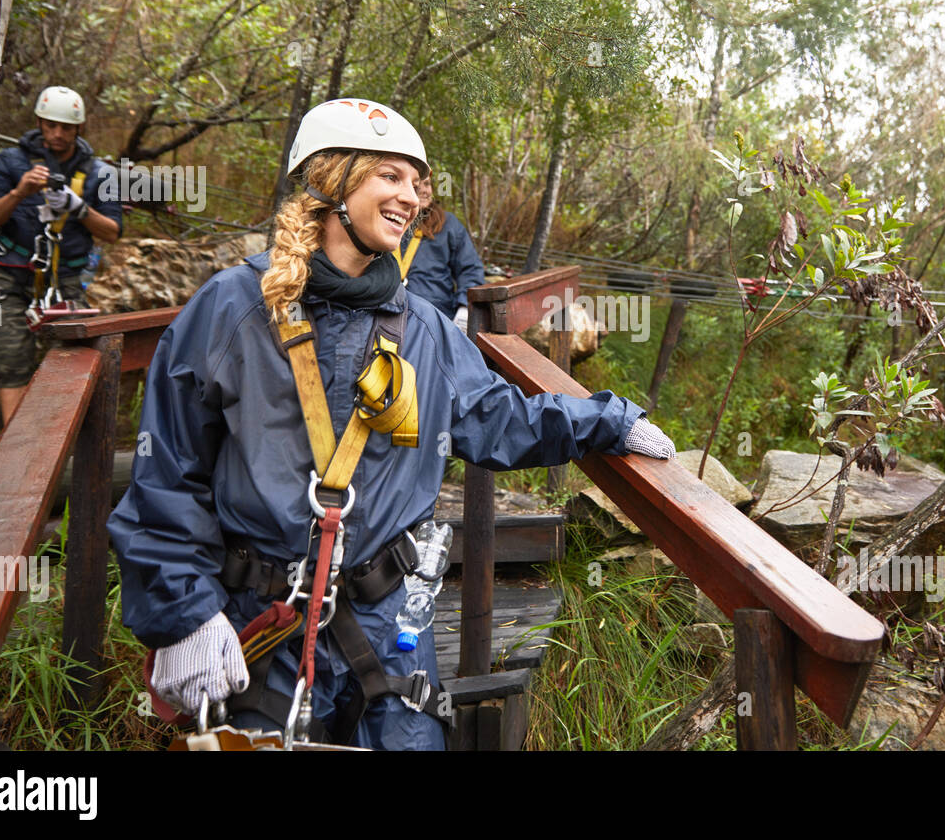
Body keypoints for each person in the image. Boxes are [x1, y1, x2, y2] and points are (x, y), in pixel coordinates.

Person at [107, 98, 676, 751]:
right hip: (261, 626)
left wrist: (606, 420)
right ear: (332, 182)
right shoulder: (234, 307)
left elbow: (492, 416)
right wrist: (185, 618)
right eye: (390, 176)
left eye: (417, 182)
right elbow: (167, 475)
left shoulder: (424, 327)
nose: (411, 198)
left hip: (389, 627)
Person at [0, 85, 123, 423]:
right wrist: (18, 192)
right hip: (9, 276)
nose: (57, 134)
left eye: (66, 127)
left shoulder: (100, 173)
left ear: (78, 128)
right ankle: (13, 457)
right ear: (40, 123)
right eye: (50, 125)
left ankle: (59, 443)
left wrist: (80, 209)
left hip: (68, 282)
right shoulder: (11, 162)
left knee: (76, 359)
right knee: (11, 357)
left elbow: (113, 232)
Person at [396, 175, 485, 334]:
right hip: (388, 313)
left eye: (428, 184)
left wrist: (464, 306)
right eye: (417, 185)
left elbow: (470, 269)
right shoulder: (390, 219)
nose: (424, 190)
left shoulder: (448, 224)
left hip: (436, 317)